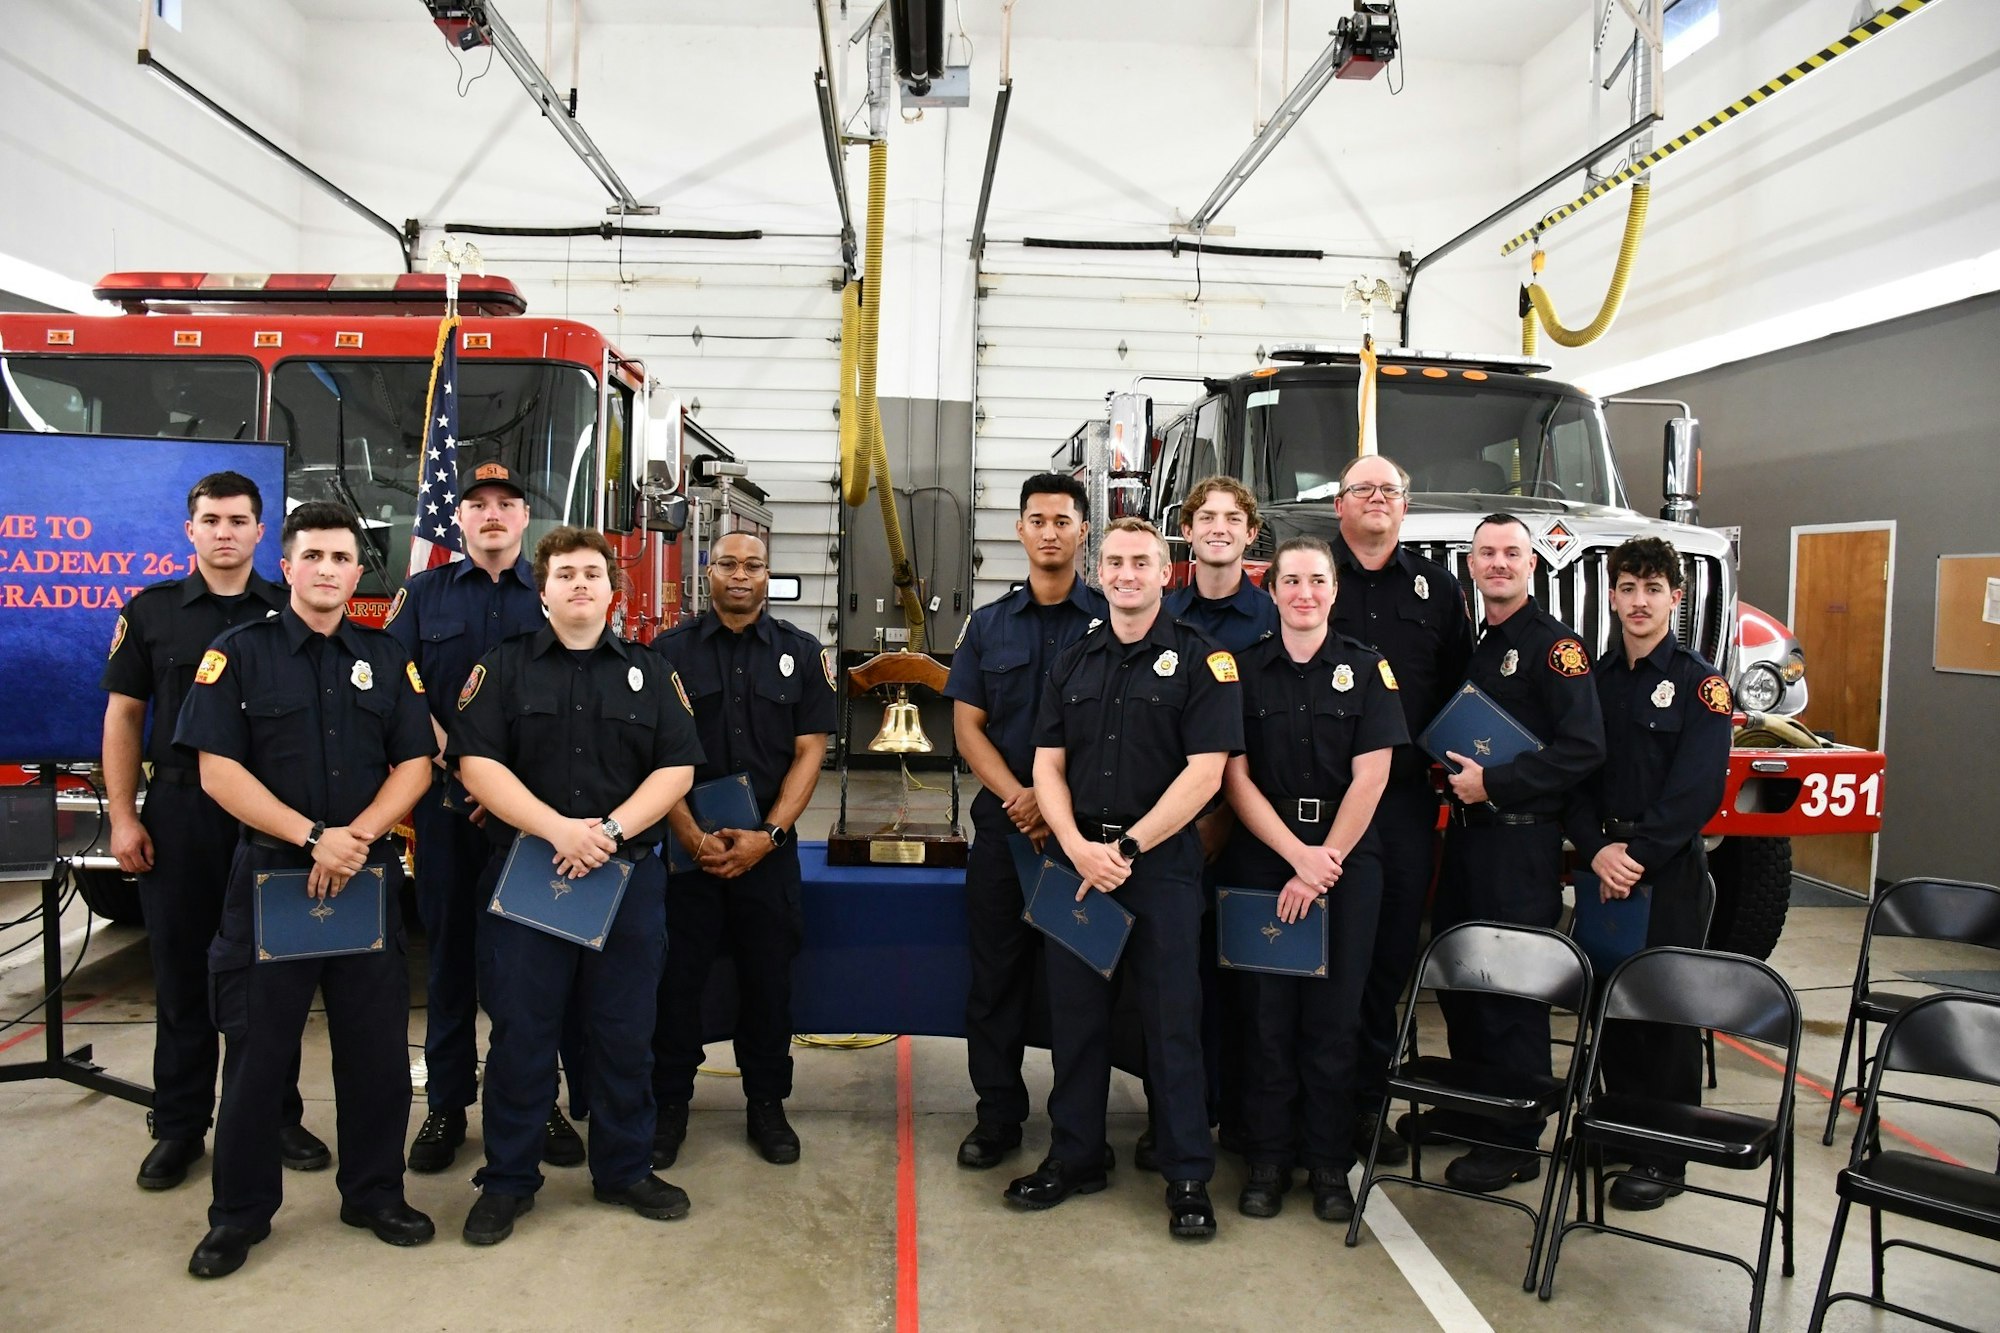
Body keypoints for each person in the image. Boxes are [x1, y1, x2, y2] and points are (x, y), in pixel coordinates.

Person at [173, 501, 437, 1278]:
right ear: (284, 567)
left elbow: (416, 764)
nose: (327, 569)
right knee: (257, 1060)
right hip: (273, 881)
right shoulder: (237, 653)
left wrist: (353, 840)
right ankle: (239, 1216)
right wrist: (313, 836)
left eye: (341, 558)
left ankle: (374, 1193)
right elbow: (217, 770)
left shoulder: (388, 659)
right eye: (312, 556)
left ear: (359, 573)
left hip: (364, 880)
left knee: (379, 1052)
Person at [450, 527, 704, 1245]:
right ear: (544, 589)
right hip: (531, 873)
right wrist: (561, 830)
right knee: (522, 1033)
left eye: (593, 573)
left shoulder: (652, 673)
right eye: (566, 574)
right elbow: (477, 765)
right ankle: (508, 1179)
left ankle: (623, 1168)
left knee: (624, 1031)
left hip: (626, 878)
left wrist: (610, 832)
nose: (581, 584)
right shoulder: (501, 669)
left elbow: (677, 768)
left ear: (613, 590)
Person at [1007, 516, 1243, 1240]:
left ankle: (1186, 1176)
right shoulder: (1075, 660)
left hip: (1160, 868)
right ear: (1100, 573)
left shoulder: (1206, 661)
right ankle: (1076, 1154)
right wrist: (1077, 845)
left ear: (1165, 572)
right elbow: (1047, 763)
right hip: (1079, 867)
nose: (1128, 573)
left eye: (1142, 561)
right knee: (1075, 1020)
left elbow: (1206, 773)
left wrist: (1129, 848)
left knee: (1173, 1022)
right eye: (1115, 562)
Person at [101, 471, 329, 1191]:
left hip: (269, 818)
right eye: (211, 519)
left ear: (263, 534)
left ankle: (276, 1114)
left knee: (275, 975)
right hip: (180, 816)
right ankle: (178, 1125)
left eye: (238, 519)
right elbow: (124, 718)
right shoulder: (152, 613)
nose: (224, 531)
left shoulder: (285, 612)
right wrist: (122, 813)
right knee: (183, 974)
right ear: (189, 529)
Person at [385, 458, 586, 1175]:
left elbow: (575, 693)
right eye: (479, 504)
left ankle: (540, 1100)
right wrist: (466, 764)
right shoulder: (423, 594)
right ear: (458, 518)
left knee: (535, 962)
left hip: (533, 815)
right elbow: (400, 690)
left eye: (508, 502)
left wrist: (511, 790)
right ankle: (445, 1103)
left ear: (526, 518)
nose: (493, 514)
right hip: (448, 808)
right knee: (449, 962)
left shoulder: (555, 592)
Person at [1404, 513, 1604, 1193]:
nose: (1498, 563)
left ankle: (1516, 1136)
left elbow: (1583, 748)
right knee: (1464, 981)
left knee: (1511, 991)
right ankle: (1470, 1106)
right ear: (1471, 565)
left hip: (1519, 839)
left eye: (1511, 553)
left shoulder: (1555, 648)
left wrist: (1495, 781)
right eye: (1486, 553)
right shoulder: (1482, 643)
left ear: (1532, 564)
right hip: (1469, 837)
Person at [1222, 537, 1406, 1223]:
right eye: (1291, 580)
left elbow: (1375, 773)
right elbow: (1233, 774)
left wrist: (1322, 858)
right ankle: (1267, 1159)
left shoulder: (1366, 669)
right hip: (1266, 860)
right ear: (1271, 591)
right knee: (1266, 1018)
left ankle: (1329, 1162)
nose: (1304, 592)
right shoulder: (1240, 670)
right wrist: (1295, 856)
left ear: (1335, 590)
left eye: (1317, 580)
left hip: (1346, 861)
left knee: (1336, 1018)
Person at [649, 532, 837, 1168]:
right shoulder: (665, 653)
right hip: (686, 856)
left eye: (752, 566)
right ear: (708, 571)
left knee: (768, 987)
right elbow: (653, 754)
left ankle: (767, 1105)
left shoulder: (801, 653)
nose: (739, 575)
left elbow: (811, 751)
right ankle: (669, 1105)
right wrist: (688, 834)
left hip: (767, 857)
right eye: (727, 564)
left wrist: (771, 837)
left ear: (768, 575)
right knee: (676, 988)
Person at [1564, 536, 1732, 1211]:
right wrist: (1592, 847)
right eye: (1628, 587)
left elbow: (1696, 790)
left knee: (1664, 1011)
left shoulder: (1702, 684)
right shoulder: (1594, 682)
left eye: (1653, 588)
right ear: (1611, 594)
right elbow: (1572, 773)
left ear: (1675, 597)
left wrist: (1635, 857)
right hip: (1602, 864)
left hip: (1662, 870)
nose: (1639, 601)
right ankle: (1619, 1127)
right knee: (1611, 1003)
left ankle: (1664, 1154)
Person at [945, 474, 1107, 1171]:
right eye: (1036, 519)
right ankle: (998, 1115)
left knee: (1080, 991)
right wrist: (1020, 796)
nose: (1049, 531)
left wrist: (1054, 802)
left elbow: (1115, 731)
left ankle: (1079, 1128)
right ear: (1018, 530)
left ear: (1082, 531)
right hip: (1005, 835)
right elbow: (967, 725)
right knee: (996, 982)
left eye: (1062, 520)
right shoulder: (989, 625)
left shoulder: (1109, 620)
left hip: (1081, 844)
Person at [1326, 454, 1473, 1165]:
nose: (1377, 499)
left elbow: (1457, 692)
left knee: (1385, 964)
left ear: (1405, 507)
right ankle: (1298, 1103)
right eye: (1364, 489)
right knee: (1312, 961)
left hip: (1403, 807)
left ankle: (1364, 1107)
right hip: (1316, 809)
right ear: (1339, 507)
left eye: (1391, 489)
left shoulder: (1438, 590)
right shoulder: (1306, 577)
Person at [1161, 475, 1280, 1166]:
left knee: (1248, 978)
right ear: (1187, 527)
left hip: (1248, 826)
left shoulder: (1271, 617)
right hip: (1173, 827)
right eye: (1206, 516)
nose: (1218, 527)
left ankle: (1242, 1116)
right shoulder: (1163, 612)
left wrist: (1227, 823)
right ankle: (1183, 1110)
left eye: (1232, 518)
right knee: (1178, 980)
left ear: (1249, 532)